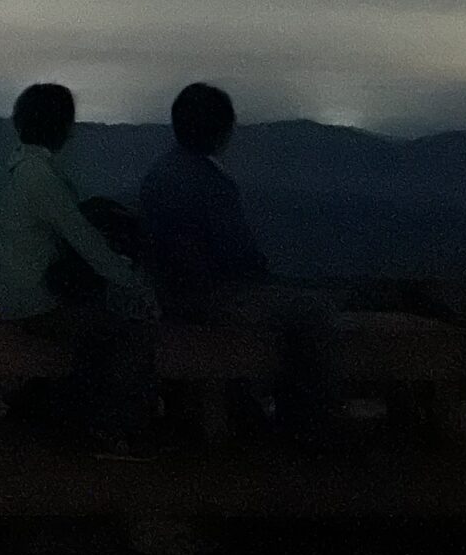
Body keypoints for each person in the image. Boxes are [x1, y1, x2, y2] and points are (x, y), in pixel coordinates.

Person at [138, 82, 335, 436]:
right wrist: (267, 280)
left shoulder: (157, 174)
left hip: (169, 295)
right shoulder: (213, 184)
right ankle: (307, 420)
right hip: (212, 298)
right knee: (311, 309)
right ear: (221, 132)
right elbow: (241, 256)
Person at [0, 81, 157, 452]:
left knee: (100, 322)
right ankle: (114, 429)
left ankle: (54, 407)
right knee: (127, 329)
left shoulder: (24, 168)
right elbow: (84, 240)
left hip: (19, 296)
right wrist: (129, 278)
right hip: (37, 303)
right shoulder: (41, 177)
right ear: (60, 126)